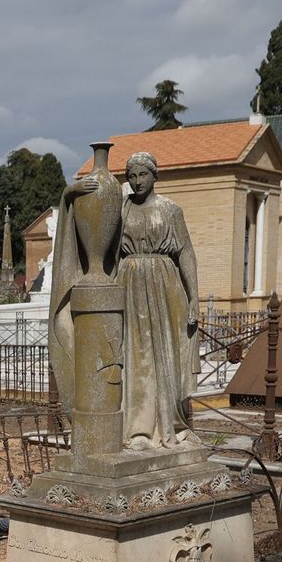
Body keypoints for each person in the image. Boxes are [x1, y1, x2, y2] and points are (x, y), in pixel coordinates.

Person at [65, 151, 199, 450]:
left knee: (165, 354)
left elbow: (186, 253)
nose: (138, 182)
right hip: (128, 282)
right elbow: (89, 227)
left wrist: (194, 298)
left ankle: (168, 424)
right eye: (132, 176)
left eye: (143, 175)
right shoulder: (121, 209)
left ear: (155, 175)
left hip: (164, 286)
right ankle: (137, 429)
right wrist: (70, 195)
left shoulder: (170, 210)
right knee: (135, 356)